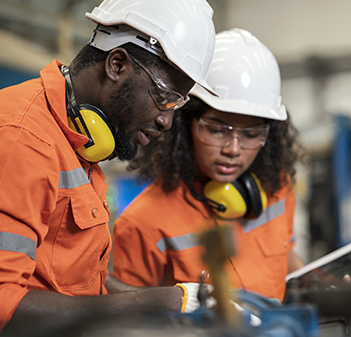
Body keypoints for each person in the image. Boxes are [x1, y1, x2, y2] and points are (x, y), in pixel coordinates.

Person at [0, 0, 217, 335]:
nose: (167, 121)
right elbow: (5, 308)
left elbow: (80, 283)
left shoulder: (82, 143)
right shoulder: (23, 139)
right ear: (117, 65)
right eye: (164, 97)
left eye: (178, 104)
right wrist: (160, 303)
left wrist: (184, 297)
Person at [112, 28, 306, 307]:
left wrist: (321, 282)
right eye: (217, 130)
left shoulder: (278, 189)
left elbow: (284, 256)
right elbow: (132, 318)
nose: (234, 149)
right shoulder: (142, 225)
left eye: (251, 135)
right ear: (183, 124)